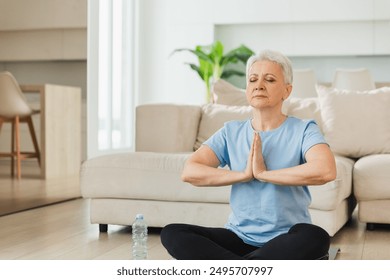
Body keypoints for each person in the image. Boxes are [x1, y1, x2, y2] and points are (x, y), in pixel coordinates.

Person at [160, 49, 336, 260]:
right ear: (247, 89)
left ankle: (233, 269)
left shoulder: (304, 129)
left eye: (269, 79)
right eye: (253, 79)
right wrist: (244, 175)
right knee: (173, 232)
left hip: (286, 240)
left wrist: (263, 174)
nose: (259, 85)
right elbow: (190, 171)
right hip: (238, 238)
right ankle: (252, 269)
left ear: (286, 91)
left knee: (316, 237)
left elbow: (325, 170)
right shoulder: (230, 131)